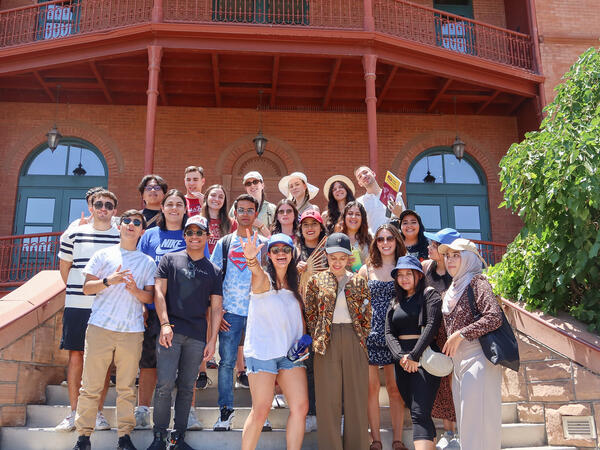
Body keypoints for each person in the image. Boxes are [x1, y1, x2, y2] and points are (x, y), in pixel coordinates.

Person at [72, 210, 156, 450]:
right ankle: (83, 437)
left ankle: (124, 437)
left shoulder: (147, 262)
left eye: (136, 222)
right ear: (120, 226)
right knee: (90, 386)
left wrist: (133, 289)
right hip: (100, 327)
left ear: (141, 230)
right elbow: (87, 288)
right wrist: (110, 280)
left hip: (132, 331)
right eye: (127, 221)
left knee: (127, 387)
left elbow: (149, 296)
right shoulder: (102, 255)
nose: (131, 225)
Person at [147, 216, 224, 450]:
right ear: (184, 236)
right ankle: (159, 437)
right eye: (189, 232)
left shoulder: (214, 270)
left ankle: (177, 438)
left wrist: (212, 341)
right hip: (171, 332)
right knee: (165, 384)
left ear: (207, 236)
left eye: (199, 232)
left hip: (197, 335)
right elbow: (159, 293)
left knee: (187, 387)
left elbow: (217, 307)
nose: (194, 237)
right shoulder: (170, 260)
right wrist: (164, 324)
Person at [136, 190, 206, 431]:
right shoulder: (150, 236)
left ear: (186, 210)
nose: (174, 208)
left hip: (186, 313)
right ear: (162, 209)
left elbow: (202, 272)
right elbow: (141, 269)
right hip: (154, 309)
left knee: (188, 366)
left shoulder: (193, 235)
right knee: (149, 362)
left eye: (179, 204)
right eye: (170, 204)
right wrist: (142, 305)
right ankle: (142, 410)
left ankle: (190, 412)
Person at [56, 189, 121, 432]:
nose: (103, 208)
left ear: (114, 210)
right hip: (77, 305)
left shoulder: (120, 236)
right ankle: (74, 412)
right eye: (98, 204)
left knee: (103, 362)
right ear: (91, 207)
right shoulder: (73, 233)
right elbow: (65, 269)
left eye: (108, 205)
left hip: (107, 308)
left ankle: (97, 413)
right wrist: (77, 291)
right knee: (76, 357)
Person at [240, 232, 308, 450]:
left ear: (292, 254)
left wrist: (304, 343)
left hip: (291, 355)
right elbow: (256, 273)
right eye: (276, 250)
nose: (281, 253)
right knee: (261, 409)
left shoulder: (296, 285)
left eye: (286, 250)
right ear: (268, 254)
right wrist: (251, 259)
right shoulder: (263, 280)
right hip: (262, 353)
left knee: (300, 406)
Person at [304, 233, 372, 450]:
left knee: (356, 399)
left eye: (342, 257)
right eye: (333, 257)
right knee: (327, 400)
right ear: (326, 256)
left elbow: (366, 314)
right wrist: (319, 337)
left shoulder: (359, 281)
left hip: (354, 339)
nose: (337, 262)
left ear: (348, 258)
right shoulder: (316, 281)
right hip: (327, 341)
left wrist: (360, 336)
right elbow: (311, 313)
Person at [210, 194, 269, 431]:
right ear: (235, 213)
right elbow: (215, 279)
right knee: (226, 363)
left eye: (250, 210)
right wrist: (218, 311)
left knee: (258, 364)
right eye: (241, 210)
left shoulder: (265, 243)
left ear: (256, 214)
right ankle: (225, 413)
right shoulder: (225, 243)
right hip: (231, 312)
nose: (245, 214)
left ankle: (261, 414)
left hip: (258, 312)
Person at [439, 239, 503, 450]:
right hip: (458, 364)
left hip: (479, 357)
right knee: (467, 423)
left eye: (456, 255)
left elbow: (494, 317)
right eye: (447, 255)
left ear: (468, 258)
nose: (450, 260)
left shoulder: (477, 282)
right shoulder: (451, 289)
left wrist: (460, 335)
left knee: (479, 422)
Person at [385, 255, 443, 450]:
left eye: (408, 273)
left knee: (419, 413)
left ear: (418, 274)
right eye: (400, 275)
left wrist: (414, 356)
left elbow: (432, 326)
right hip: (401, 362)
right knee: (418, 411)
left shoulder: (429, 294)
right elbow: (388, 332)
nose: (404, 278)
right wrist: (401, 356)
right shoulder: (395, 301)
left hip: (423, 359)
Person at [358, 225, 408, 450]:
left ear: (397, 240)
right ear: (375, 242)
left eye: (389, 238)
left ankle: (397, 440)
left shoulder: (405, 267)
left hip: (396, 335)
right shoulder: (366, 269)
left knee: (395, 389)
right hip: (370, 334)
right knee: (371, 389)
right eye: (380, 239)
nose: (385, 242)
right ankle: (376, 440)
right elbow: (356, 302)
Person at [421, 228, 461, 450]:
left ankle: (458, 430)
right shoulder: (426, 268)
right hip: (432, 333)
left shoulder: (458, 272)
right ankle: (448, 431)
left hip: (454, 333)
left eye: (433, 245)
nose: (428, 248)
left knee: (456, 382)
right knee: (441, 384)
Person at [295, 209, 328, 432]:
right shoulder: (293, 252)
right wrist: (294, 269)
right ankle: (310, 413)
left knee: (326, 366)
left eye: (314, 224)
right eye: (305, 224)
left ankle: (334, 413)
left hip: (325, 314)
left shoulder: (329, 250)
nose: (310, 228)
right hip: (299, 315)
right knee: (305, 366)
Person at [354, 166, 405, 235]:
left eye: (365, 172)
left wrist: (399, 214)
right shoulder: (358, 203)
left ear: (373, 173)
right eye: (360, 176)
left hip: (392, 241)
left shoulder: (394, 196)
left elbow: (406, 222)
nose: (363, 176)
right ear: (360, 183)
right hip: (371, 242)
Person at [229, 171, 276, 237]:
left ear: (262, 185)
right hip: (241, 245)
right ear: (245, 188)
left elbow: (275, 237)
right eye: (248, 184)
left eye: (255, 182)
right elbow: (229, 228)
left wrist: (261, 225)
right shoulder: (237, 206)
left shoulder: (271, 208)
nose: (252, 185)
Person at [336, 201, 372, 273]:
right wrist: (342, 261)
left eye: (358, 214)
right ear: (344, 217)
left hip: (365, 280)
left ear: (362, 219)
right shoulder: (336, 239)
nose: (353, 217)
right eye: (350, 213)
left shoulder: (369, 239)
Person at [203, 184, 232, 255]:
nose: (216, 199)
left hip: (222, 264)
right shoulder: (198, 221)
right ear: (206, 197)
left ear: (224, 201)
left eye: (221, 197)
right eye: (213, 195)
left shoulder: (232, 223)